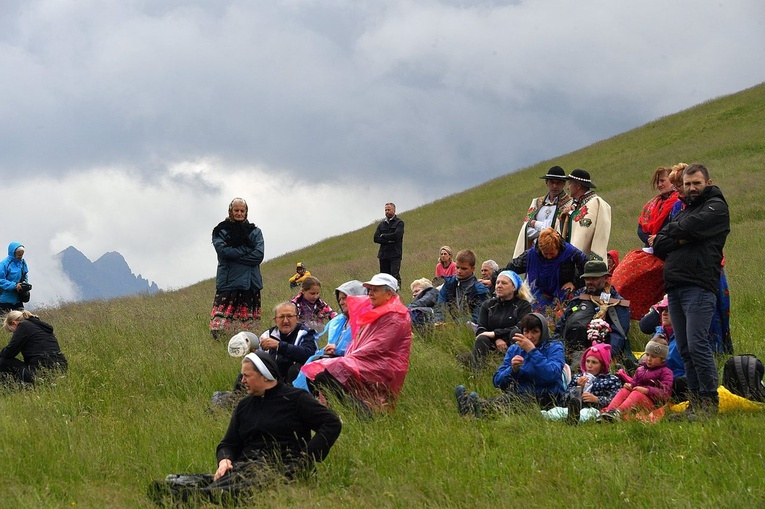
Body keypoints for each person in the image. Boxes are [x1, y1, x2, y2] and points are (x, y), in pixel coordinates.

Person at [150, 351, 342, 504]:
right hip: (245, 468)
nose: (241, 381)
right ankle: (199, 492)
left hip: (284, 468)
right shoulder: (244, 406)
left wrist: (306, 458)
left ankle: (201, 496)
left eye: (246, 376)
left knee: (240, 487)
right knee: (176, 482)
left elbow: (331, 424)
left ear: (265, 375)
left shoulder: (296, 399)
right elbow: (228, 443)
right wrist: (224, 461)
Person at [653, 163, 730, 417]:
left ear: (708, 183)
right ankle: (696, 403)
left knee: (698, 344)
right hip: (675, 286)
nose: (691, 188)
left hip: (699, 285)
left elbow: (681, 230)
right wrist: (682, 235)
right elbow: (660, 244)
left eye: (696, 183)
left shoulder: (717, 207)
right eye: (687, 184)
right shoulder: (684, 211)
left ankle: (709, 402)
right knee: (685, 347)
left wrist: (677, 234)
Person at [301, 273, 412, 415]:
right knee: (317, 370)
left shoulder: (396, 317)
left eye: (375, 290)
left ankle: (361, 414)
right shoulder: (377, 313)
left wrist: (345, 360)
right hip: (366, 362)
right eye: (369, 290)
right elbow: (359, 344)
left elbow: (377, 347)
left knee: (326, 373)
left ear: (389, 294)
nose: (370, 294)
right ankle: (333, 412)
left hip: (382, 367)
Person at [455, 313, 565, 417]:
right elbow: (497, 381)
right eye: (526, 332)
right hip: (519, 394)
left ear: (543, 332)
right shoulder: (515, 349)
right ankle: (470, 407)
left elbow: (552, 375)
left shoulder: (554, 347)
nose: (529, 336)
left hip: (547, 396)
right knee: (507, 400)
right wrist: (512, 370)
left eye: (535, 332)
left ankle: (473, 408)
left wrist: (532, 350)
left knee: (514, 403)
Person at [612, 166, 680, 320]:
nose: (660, 185)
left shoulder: (677, 204)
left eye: (663, 180)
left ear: (673, 181)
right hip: (652, 250)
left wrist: (659, 239)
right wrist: (652, 239)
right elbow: (641, 229)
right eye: (658, 182)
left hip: (667, 255)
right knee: (621, 278)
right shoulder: (653, 204)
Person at [554, 260, 635, 367]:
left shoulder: (617, 303)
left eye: (594, 278)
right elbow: (560, 326)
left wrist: (604, 357)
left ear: (606, 278)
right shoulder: (579, 298)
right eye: (587, 278)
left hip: (596, 357)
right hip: (565, 352)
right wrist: (555, 349)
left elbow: (618, 335)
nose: (590, 282)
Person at [293, 280, 366, 391]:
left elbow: (362, 352)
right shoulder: (342, 321)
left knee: (318, 373)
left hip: (350, 367)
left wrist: (336, 351)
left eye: (345, 298)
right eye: (340, 299)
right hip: (335, 359)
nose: (341, 302)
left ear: (357, 298)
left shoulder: (364, 322)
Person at [210, 198, 265, 340]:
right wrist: (247, 249)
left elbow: (258, 256)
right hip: (229, 284)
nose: (239, 213)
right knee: (220, 329)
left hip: (251, 284)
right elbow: (223, 252)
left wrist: (235, 257)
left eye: (242, 210)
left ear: (246, 212)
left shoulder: (255, 232)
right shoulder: (220, 231)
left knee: (250, 332)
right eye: (236, 210)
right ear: (230, 211)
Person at [456, 270, 533, 371]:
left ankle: (515, 371)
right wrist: (496, 338)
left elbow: (520, 327)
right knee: (482, 338)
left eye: (504, 283)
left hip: (512, 343)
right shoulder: (488, 305)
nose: (499, 286)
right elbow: (481, 330)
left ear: (514, 287)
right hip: (492, 344)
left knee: (516, 333)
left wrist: (494, 333)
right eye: (497, 282)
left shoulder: (523, 305)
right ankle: (476, 376)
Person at [505, 228, 587, 314]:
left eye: (552, 253)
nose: (549, 257)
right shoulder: (532, 254)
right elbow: (513, 267)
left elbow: (586, 267)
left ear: (558, 247)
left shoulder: (570, 252)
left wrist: (575, 282)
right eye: (545, 253)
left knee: (567, 310)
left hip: (564, 289)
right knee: (531, 311)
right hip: (541, 289)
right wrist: (494, 276)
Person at [541, 342, 621, 424]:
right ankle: (545, 415)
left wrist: (597, 399)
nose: (589, 365)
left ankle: (574, 419)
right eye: (587, 361)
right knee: (558, 410)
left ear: (603, 365)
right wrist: (578, 388)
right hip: (574, 408)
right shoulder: (577, 377)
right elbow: (564, 400)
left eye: (594, 362)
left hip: (595, 409)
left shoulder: (611, 380)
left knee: (588, 413)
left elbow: (616, 400)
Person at [598, 337, 673, 423]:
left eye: (653, 356)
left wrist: (647, 391)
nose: (649, 359)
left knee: (636, 394)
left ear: (662, 359)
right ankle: (609, 411)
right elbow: (634, 383)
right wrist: (630, 386)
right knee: (624, 391)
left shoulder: (666, 372)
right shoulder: (640, 369)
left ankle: (618, 412)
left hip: (652, 403)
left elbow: (665, 393)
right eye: (647, 355)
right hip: (636, 401)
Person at [513, 165, 572, 258]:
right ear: (546, 183)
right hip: (536, 251)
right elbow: (526, 229)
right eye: (552, 182)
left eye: (558, 183)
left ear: (564, 184)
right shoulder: (537, 202)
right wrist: (547, 231)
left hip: (555, 253)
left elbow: (558, 231)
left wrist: (535, 224)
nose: (555, 186)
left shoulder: (569, 204)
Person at [1, 310, 67, 385]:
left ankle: (12, 388)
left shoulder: (23, 326)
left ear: (14, 323)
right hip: (61, 368)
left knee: (3, 361)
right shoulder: (40, 326)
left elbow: (9, 352)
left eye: (12, 330)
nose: (14, 334)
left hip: (41, 370)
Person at [258, 302, 318, 384]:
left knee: (295, 369)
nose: (285, 321)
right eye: (281, 317)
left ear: (297, 318)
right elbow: (259, 360)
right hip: (274, 378)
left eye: (289, 316)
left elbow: (309, 354)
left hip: (297, 380)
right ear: (275, 320)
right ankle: (238, 395)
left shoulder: (306, 333)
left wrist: (279, 345)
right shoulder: (267, 335)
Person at [559, 169, 611, 261]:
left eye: (570, 183)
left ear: (578, 186)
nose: (567, 187)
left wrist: (594, 260)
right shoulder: (578, 205)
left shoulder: (596, 203)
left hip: (588, 262)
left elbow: (595, 230)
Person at [436, 249, 489, 323]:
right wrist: (439, 321)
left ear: (472, 269)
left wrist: (453, 324)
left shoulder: (480, 290)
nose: (459, 271)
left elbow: (478, 317)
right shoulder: (449, 284)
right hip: (448, 326)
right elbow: (440, 307)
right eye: (457, 267)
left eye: (464, 268)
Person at [373, 202, 405, 287]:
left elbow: (397, 236)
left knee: (394, 275)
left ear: (394, 210)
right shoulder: (381, 224)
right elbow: (375, 238)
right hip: (383, 255)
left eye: (389, 209)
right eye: (385, 210)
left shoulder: (399, 223)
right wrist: (388, 240)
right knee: (384, 277)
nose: (387, 211)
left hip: (395, 254)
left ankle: (397, 292)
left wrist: (383, 236)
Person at [0, 242, 29, 313]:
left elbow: (25, 274)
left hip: (17, 297)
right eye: (19, 253)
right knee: (4, 320)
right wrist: (15, 285)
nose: (20, 255)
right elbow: (1, 280)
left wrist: (24, 283)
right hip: (5, 298)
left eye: (22, 253)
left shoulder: (22, 262)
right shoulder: (4, 264)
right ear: (13, 252)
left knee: (21, 320)